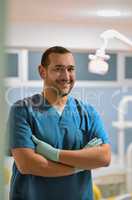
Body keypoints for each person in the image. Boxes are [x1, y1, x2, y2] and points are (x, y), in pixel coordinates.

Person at [8, 46, 111, 200]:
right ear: (42, 71)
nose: (66, 76)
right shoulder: (22, 111)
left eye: (70, 69)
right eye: (58, 69)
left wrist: (54, 154)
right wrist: (80, 165)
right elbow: (28, 164)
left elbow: (104, 157)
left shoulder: (88, 112)